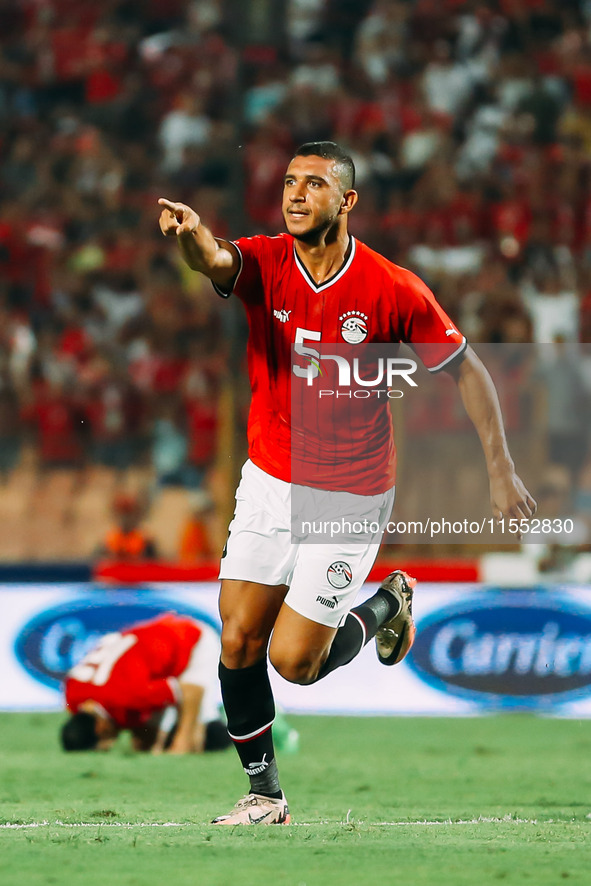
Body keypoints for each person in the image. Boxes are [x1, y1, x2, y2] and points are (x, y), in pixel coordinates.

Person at [158, 141, 536, 825]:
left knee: (295, 663)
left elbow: (466, 369)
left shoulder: (392, 289)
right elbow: (215, 259)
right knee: (237, 638)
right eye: (288, 183)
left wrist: (500, 466)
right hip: (270, 478)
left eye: (312, 184)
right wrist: (192, 237)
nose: (295, 194)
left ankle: (387, 605)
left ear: (346, 200)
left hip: (351, 494)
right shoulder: (267, 262)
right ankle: (263, 796)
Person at [61, 612, 229, 754]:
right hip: (154, 638)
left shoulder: (128, 695)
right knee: (145, 741)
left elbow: (188, 689)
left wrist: (182, 741)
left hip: (191, 640)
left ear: (99, 728)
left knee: (206, 735)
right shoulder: (73, 691)